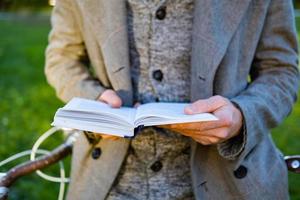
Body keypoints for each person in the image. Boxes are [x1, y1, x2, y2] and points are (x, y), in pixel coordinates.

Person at [45, 0, 299, 199]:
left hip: (230, 182)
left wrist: (242, 115)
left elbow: (281, 70)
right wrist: (94, 100)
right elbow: (61, 61)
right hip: (109, 184)